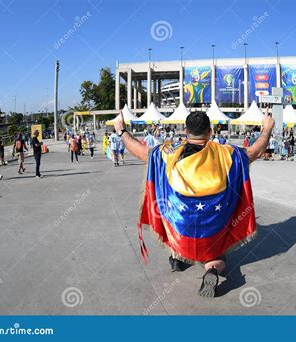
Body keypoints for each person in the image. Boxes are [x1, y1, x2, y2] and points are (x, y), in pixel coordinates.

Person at [113, 111, 274, 298]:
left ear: (186, 131)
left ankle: (178, 259)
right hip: (212, 231)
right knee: (217, 257)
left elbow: (140, 151)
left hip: (182, 232)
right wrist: (267, 128)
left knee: (171, 225)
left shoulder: (168, 153)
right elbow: (255, 151)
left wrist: (121, 130)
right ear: (210, 131)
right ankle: (212, 269)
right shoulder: (227, 154)